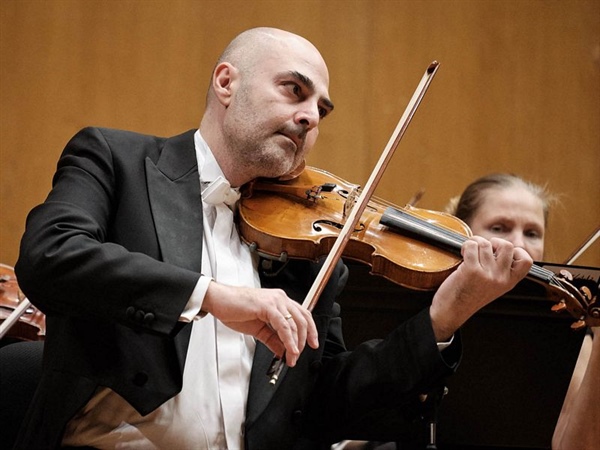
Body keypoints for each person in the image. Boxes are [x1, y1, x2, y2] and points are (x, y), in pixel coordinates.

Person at [13, 28, 532, 449]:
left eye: (321, 111)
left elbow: (327, 404)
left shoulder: (305, 251)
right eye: (294, 90)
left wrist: (442, 319)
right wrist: (211, 295)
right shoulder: (117, 160)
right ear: (226, 83)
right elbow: (50, 255)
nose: (310, 117)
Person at [448, 173, 598, 450]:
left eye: (532, 233)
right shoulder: (433, 308)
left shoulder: (568, 323)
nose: (519, 244)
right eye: (499, 228)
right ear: (462, 231)